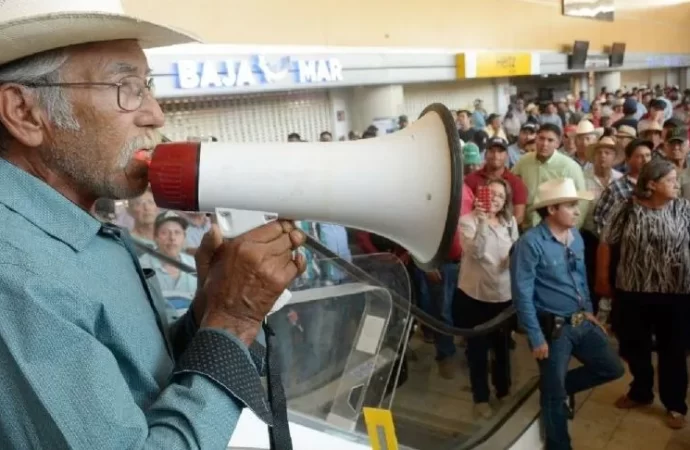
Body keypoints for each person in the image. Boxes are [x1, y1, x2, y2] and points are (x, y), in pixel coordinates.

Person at [0, 3, 307, 448]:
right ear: (24, 113)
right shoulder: (17, 274)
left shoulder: (79, 230)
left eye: (147, 86)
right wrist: (234, 320)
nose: (156, 114)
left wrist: (209, 310)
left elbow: (141, 378)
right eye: (126, 87)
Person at [511, 178, 624, 450]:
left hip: (580, 321)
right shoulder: (530, 243)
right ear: (551, 210)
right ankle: (558, 444)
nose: (576, 211)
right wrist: (536, 337)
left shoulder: (575, 239)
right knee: (553, 397)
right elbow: (522, 293)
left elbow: (580, 277)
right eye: (571, 205)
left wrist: (588, 310)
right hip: (553, 330)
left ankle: (558, 388)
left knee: (613, 368)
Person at [597, 159, 690, 430]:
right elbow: (606, 243)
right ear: (652, 184)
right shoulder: (626, 208)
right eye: (671, 180)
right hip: (633, 290)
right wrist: (602, 279)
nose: (677, 184)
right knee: (633, 345)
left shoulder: (684, 209)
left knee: (673, 350)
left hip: (676, 293)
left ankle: (675, 404)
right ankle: (641, 391)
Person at [454, 178, 518, 419]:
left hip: (503, 294)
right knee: (477, 349)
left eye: (500, 196)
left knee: (502, 347)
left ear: (505, 202)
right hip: (475, 295)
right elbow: (476, 253)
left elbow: (514, 250)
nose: (495, 200)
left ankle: (504, 389)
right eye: (490, 194)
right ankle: (480, 397)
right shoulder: (467, 222)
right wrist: (481, 221)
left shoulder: (509, 222)